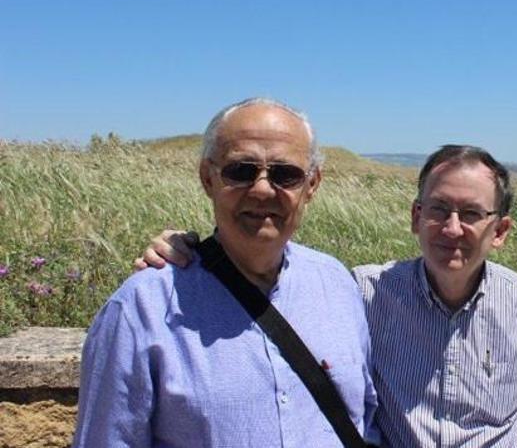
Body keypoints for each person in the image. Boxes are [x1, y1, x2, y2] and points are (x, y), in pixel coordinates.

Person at [138, 145, 517, 447]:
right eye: (439, 209)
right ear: (415, 217)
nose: (452, 228)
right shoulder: (362, 292)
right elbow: (271, 264)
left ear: (499, 231)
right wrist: (192, 249)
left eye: (472, 214)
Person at [74, 98, 379, 447]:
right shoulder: (141, 308)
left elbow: (364, 420)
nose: (263, 189)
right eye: (241, 171)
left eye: (286, 174)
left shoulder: (336, 284)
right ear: (208, 178)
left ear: (311, 185)